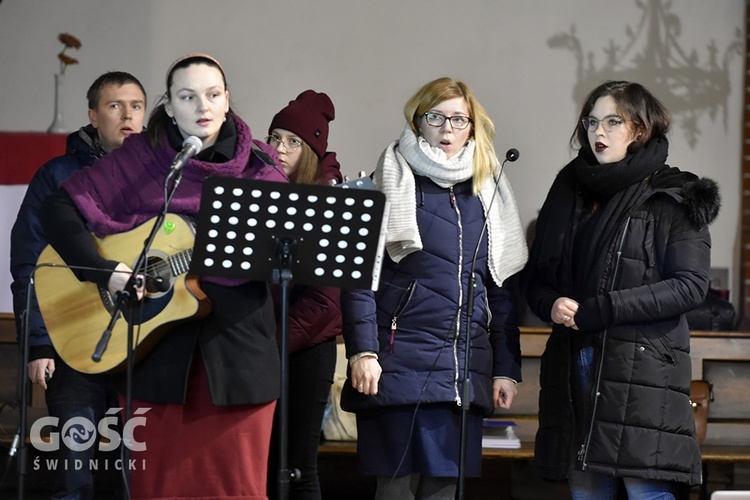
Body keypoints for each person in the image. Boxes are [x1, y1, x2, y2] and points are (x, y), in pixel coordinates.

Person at [39, 53, 288, 499]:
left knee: (236, 490)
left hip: (235, 362)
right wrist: (106, 271)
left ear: (227, 100)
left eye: (212, 95)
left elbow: (294, 263)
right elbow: (59, 208)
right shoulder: (141, 160)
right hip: (153, 361)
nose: (202, 107)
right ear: (170, 106)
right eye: (187, 97)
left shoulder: (261, 173)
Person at [523, 80, 720, 499]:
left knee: (645, 491)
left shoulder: (674, 195)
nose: (599, 132)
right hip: (575, 361)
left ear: (641, 128)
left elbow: (689, 287)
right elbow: (536, 279)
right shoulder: (568, 189)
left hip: (642, 368)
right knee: (588, 492)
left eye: (613, 121)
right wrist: (551, 302)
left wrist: (602, 309)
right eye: (592, 121)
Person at [340, 77, 528, 499]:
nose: (447, 129)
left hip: (463, 371)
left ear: (473, 128)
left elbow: (499, 288)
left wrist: (505, 368)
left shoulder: (488, 192)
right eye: (436, 117)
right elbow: (360, 280)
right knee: (395, 491)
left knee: (444, 493)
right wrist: (363, 351)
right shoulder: (388, 179)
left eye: (459, 119)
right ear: (417, 122)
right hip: (396, 364)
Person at [10, 70, 146, 499]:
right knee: (73, 476)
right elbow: (29, 262)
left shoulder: (162, 177)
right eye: (114, 105)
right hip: (71, 347)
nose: (128, 115)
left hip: (142, 347)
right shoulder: (58, 176)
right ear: (92, 114)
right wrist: (38, 345)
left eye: (137, 106)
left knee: (136, 478)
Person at [265, 89, 343, 500]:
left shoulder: (330, 199)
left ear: (311, 150)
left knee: (299, 467)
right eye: (275, 137)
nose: (279, 148)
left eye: (293, 142)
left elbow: (325, 302)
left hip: (308, 350)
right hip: (268, 347)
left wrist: (271, 342)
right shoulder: (259, 193)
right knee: (263, 463)